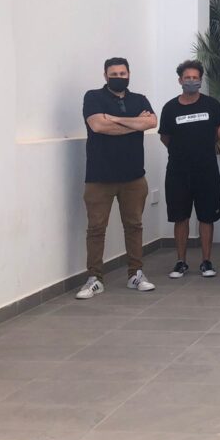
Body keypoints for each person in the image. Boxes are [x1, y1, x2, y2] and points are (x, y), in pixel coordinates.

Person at [76, 57, 158, 299]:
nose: (119, 77)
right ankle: (94, 279)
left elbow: (152, 121)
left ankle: (136, 274)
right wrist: (135, 123)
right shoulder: (93, 97)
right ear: (105, 76)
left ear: (129, 74)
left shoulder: (139, 99)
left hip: (134, 177)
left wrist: (115, 118)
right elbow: (98, 126)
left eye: (123, 73)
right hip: (99, 177)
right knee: (96, 229)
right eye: (114, 74)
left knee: (134, 226)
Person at [160, 59, 220, 279]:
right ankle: (181, 262)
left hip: (207, 170)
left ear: (200, 80)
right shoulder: (170, 108)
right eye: (187, 78)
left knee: (207, 217)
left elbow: (218, 132)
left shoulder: (212, 105)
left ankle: (206, 261)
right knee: (180, 217)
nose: (191, 81)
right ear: (180, 80)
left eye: (195, 78)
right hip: (178, 172)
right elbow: (165, 137)